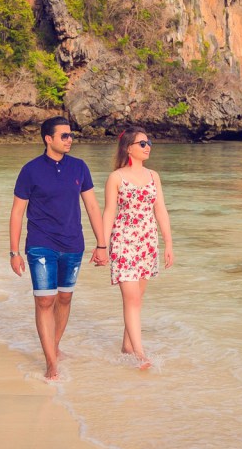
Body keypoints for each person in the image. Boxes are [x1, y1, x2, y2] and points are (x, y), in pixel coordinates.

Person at [9, 116, 108, 381]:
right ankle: (51, 363)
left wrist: (102, 244)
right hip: (41, 244)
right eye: (64, 136)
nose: (70, 140)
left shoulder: (79, 167)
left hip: (73, 244)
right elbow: (18, 213)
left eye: (71, 135)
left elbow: (92, 207)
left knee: (64, 298)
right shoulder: (30, 170)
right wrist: (14, 251)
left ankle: (54, 346)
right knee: (45, 300)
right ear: (48, 139)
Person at [101, 126, 174, 370]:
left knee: (137, 298)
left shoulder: (154, 176)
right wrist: (102, 244)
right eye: (142, 143)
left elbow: (160, 209)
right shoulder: (116, 178)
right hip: (124, 241)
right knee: (131, 298)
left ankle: (127, 345)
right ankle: (140, 353)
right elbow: (109, 211)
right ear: (128, 148)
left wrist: (168, 243)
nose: (148, 146)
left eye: (149, 142)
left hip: (147, 241)